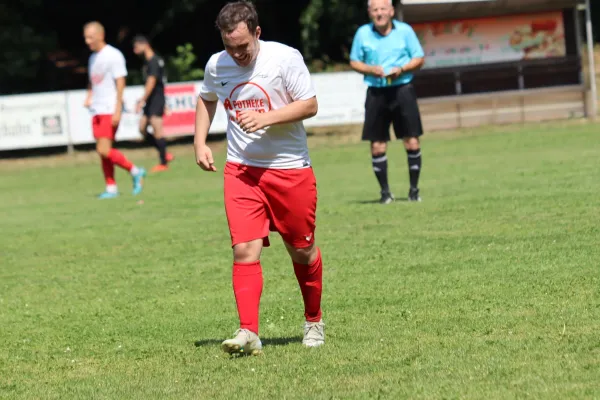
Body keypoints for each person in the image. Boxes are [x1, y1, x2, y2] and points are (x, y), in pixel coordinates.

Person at [194, 0, 325, 355]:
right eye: (229, 46)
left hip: (289, 169)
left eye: (243, 46)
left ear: (257, 32)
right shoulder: (216, 64)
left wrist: (267, 118)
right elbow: (206, 98)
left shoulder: (284, 59)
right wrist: (200, 141)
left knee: (301, 249)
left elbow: (310, 104)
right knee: (244, 249)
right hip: (241, 170)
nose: (236, 54)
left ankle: (313, 320)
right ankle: (249, 331)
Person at [349, 0, 425, 204]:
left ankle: (414, 191)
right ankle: (385, 193)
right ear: (369, 13)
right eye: (375, 10)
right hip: (376, 92)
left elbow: (419, 58)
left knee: (411, 140)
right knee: (377, 145)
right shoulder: (362, 33)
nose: (379, 13)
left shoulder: (405, 31)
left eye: (383, 9)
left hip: (402, 89)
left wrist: (402, 69)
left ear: (391, 11)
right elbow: (354, 61)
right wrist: (370, 69)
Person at [83, 22, 146, 199]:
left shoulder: (113, 55)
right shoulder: (92, 58)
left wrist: (118, 109)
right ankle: (111, 188)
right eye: (85, 38)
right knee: (103, 151)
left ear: (100, 36)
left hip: (109, 108)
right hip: (97, 108)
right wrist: (89, 96)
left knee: (103, 149)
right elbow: (92, 81)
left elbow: (120, 83)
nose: (87, 41)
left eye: (90, 37)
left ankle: (135, 171)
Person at [132, 35, 174, 173]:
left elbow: (152, 82)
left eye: (136, 47)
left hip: (155, 99)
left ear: (144, 45)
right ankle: (163, 152)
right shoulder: (149, 61)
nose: (135, 51)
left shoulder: (154, 61)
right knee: (142, 128)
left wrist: (142, 99)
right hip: (152, 100)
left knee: (157, 129)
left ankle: (163, 163)